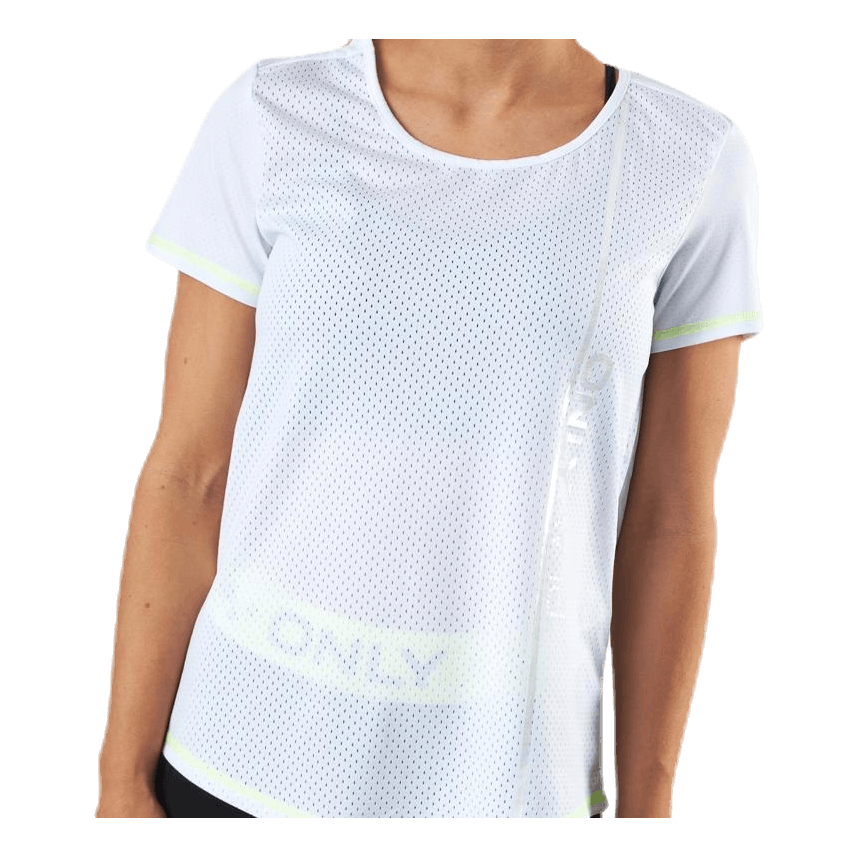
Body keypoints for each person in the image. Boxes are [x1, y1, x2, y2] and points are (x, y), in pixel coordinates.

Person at [96, 39, 762, 818]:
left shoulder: (686, 157)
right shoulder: (274, 112)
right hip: (237, 760)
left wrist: (647, 802)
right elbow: (190, 473)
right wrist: (120, 777)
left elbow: (668, 518)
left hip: (512, 788)